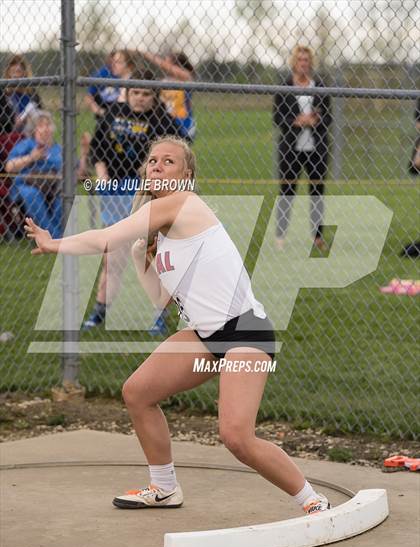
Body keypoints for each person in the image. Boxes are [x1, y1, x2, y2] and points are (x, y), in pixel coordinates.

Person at [25, 136, 330, 516]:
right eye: (152, 160)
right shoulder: (163, 233)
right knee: (137, 392)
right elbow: (161, 300)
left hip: (245, 331)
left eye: (169, 161)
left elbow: (104, 238)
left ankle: (314, 501)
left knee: (236, 436)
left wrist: (54, 243)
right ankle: (164, 487)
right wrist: (140, 256)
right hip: (204, 334)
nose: (157, 166)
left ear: (187, 175)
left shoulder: (184, 204)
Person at [82, 71, 180, 332]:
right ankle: (100, 311)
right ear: (127, 93)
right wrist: (103, 178)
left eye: (146, 94)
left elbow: (174, 154)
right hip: (115, 191)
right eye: (135, 92)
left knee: (151, 257)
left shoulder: (163, 121)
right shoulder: (112, 112)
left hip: (148, 195)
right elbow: (98, 150)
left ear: (154, 96)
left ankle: (159, 314)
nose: (140, 98)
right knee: (113, 258)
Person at [273, 45, 332, 250]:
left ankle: (317, 237)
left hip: (316, 149)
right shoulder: (284, 86)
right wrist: (296, 121)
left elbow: (328, 117)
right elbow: (277, 117)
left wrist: (315, 120)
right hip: (291, 149)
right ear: (294, 62)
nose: (303, 63)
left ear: (311, 63)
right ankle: (280, 236)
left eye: (306, 60)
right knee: (287, 191)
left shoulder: (320, 86)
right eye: (300, 59)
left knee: (317, 192)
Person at [5, 111, 62, 238]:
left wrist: (85, 153)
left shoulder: (57, 149)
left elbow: (75, 170)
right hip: (27, 184)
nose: (46, 128)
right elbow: (9, 167)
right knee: (31, 194)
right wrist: (31, 157)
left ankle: (58, 231)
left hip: (52, 185)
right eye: (41, 125)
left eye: (48, 125)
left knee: (63, 191)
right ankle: (53, 236)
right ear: (34, 129)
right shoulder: (26, 145)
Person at [142, 51, 196, 141]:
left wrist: (147, 54)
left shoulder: (185, 77)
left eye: (167, 61)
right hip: (166, 119)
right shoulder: (164, 81)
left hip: (183, 120)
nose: (164, 64)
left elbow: (166, 67)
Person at [84, 50, 136, 120]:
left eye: (118, 62)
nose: (113, 65)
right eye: (113, 61)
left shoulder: (134, 81)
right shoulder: (107, 74)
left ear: (130, 66)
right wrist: (100, 112)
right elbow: (88, 96)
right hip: (107, 118)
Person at [4, 55, 43, 132]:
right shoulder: (4, 94)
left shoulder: (32, 93)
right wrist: (12, 120)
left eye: (18, 72)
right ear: (8, 73)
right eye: (13, 72)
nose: (15, 76)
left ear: (24, 73)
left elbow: (41, 111)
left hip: (31, 130)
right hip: (11, 132)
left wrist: (31, 118)